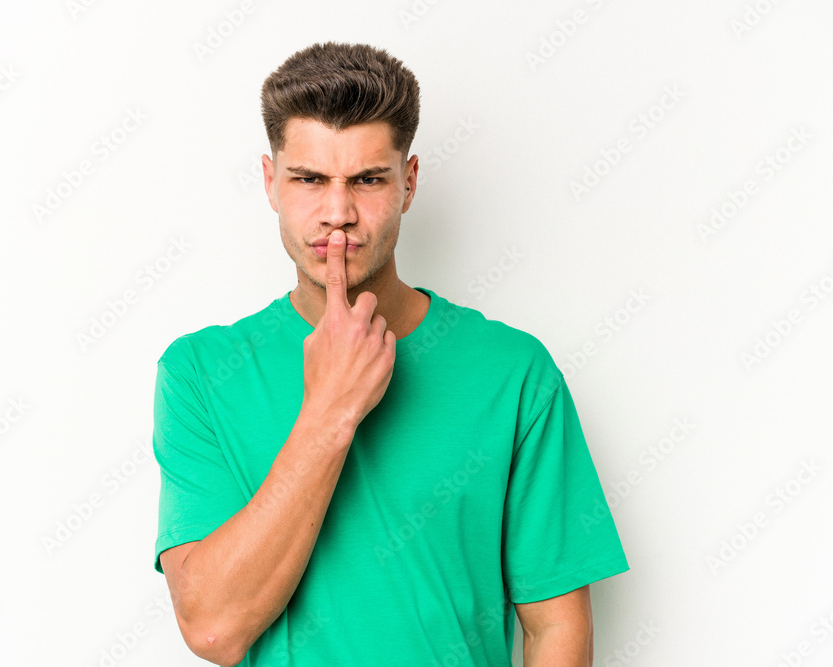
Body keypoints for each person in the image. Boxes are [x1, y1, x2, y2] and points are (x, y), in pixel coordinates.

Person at [151, 41, 629, 667]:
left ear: (408, 182)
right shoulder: (200, 373)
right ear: (271, 183)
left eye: (368, 179)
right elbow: (213, 629)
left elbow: (556, 629)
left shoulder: (513, 372)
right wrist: (330, 410)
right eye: (310, 179)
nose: (338, 214)